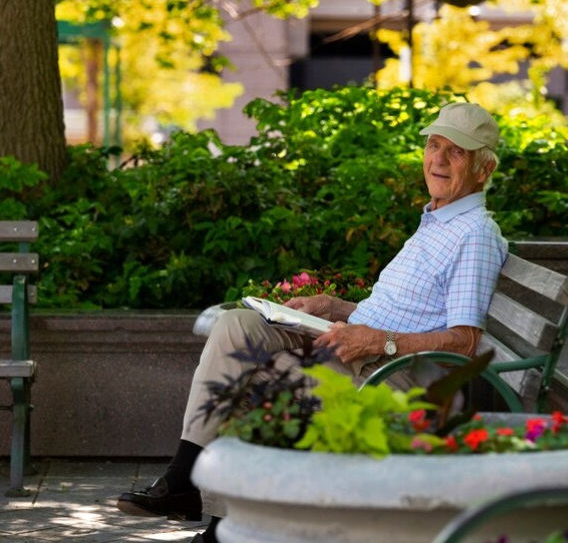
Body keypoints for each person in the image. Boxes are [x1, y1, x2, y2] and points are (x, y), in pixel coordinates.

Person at [115, 102, 509, 541]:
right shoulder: (437, 220)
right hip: (360, 352)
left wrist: (382, 342)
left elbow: (464, 342)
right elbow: (399, 311)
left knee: (257, 376)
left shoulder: (474, 234)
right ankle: (184, 480)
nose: (437, 159)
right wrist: (334, 306)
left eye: (455, 152)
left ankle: (224, 529)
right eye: (434, 145)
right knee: (238, 327)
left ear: (483, 169)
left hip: (392, 378)